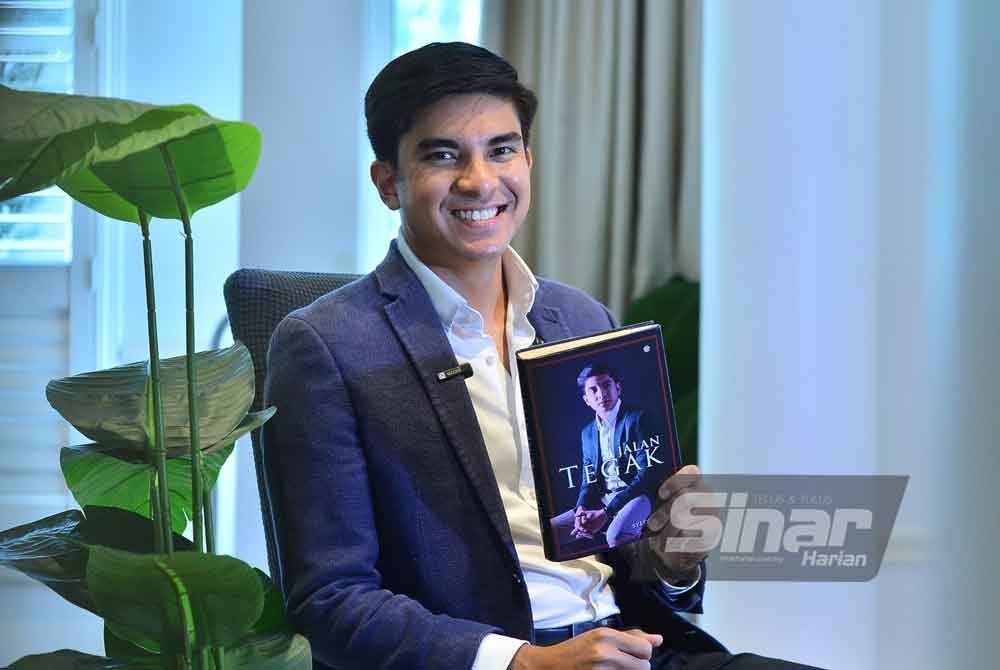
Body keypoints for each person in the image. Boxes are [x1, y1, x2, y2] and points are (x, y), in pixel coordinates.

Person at [264, 42, 820, 670]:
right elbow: (331, 600)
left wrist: (673, 562)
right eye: (443, 155)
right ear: (388, 182)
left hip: (632, 647)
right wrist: (522, 662)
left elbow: (622, 553)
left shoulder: (580, 320)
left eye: (501, 149)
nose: (480, 181)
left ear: (528, 159)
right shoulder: (325, 345)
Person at [550, 363, 663, 549]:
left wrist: (606, 512)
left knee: (615, 538)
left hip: (637, 496)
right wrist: (580, 510)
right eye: (593, 389)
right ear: (586, 399)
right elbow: (589, 480)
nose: (600, 394)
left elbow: (647, 475)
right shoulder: (587, 432)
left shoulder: (638, 419)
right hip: (603, 500)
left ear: (618, 387)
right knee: (551, 531)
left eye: (606, 385)